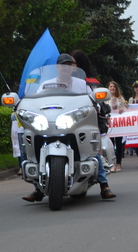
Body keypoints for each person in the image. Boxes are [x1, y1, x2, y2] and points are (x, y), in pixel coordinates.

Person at [23, 53, 115, 201]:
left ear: (74, 67)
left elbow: (94, 102)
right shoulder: (45, 85)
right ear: (58, 67)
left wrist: (96, 106)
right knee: (33, 143)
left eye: (69, 65)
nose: (66, 68)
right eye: (63, 65)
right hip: (51, 124)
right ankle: (38, 188)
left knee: (90, 150)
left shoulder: (82, 84)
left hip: (75, 124)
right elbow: (36, 101)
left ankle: (104, 185)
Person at [107, 81, 127, 171]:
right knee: (110, 145)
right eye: (110, 86)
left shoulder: (120, 98)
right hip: (109, 124)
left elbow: (126, 108)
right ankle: (112, 164)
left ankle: (119, 163)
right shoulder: (105, 98)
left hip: (119, 125)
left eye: (114, 86)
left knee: (119, 144)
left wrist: (123, 109)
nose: (112, 88)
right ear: (108, 88)